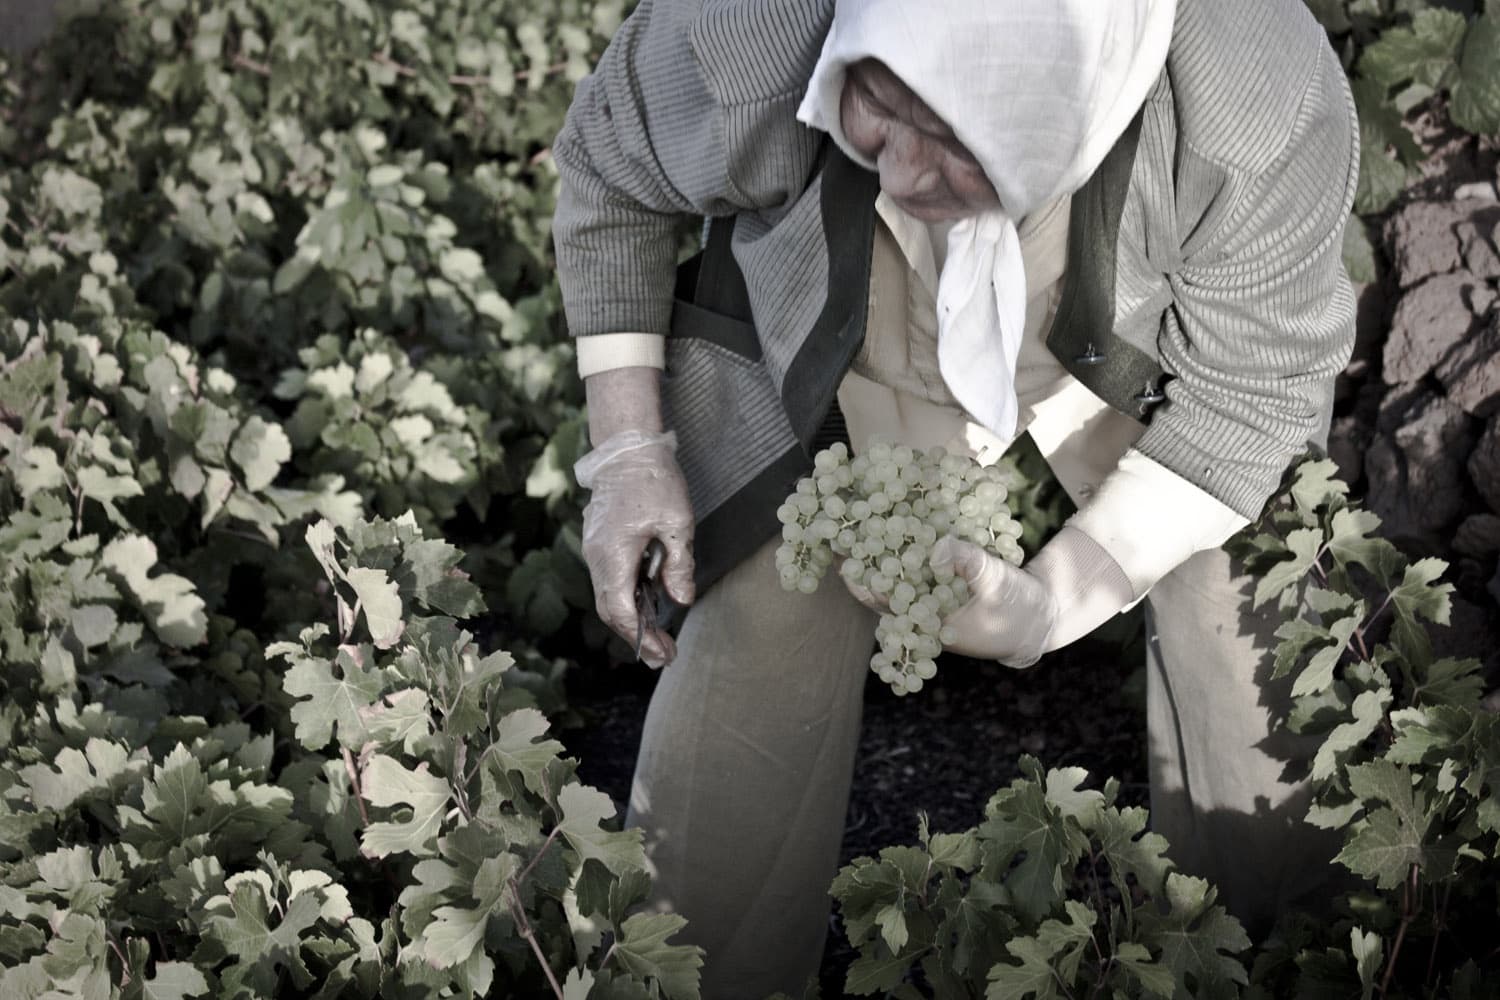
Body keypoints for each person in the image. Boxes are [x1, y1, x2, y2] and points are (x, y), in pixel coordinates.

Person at [553, 0, 1359, 994]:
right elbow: (611, 171)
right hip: (860, 320)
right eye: (879, 103)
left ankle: (1272, 959)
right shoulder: (756, 29)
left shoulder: (1250, 91)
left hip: (1142, 333)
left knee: (1252, 613)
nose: (899, 172)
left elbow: (1252, 393)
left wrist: (1056, 600)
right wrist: (629, 449)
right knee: (764, 625)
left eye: (956, 146)